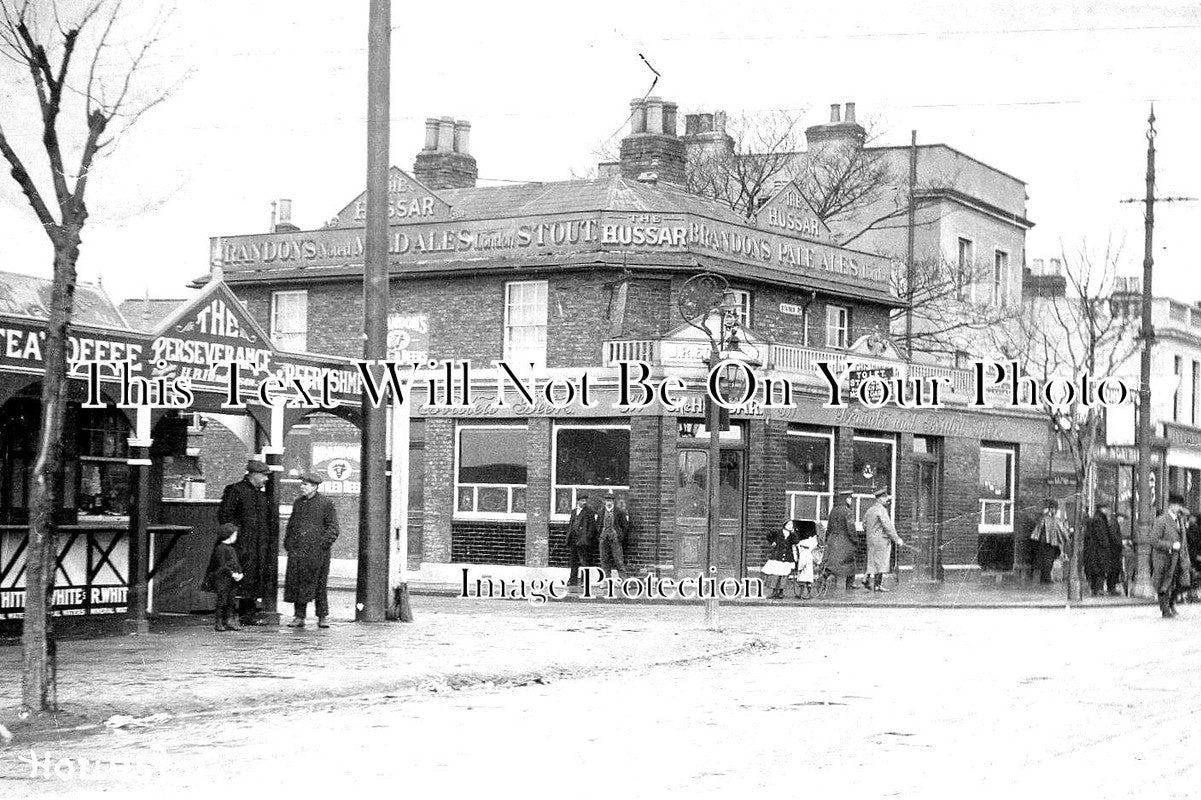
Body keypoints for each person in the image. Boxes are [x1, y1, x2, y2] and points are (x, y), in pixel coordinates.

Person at [217, 459, 272, 625]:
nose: (266, 479)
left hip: (258, 545)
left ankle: (247, 615)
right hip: (239, 545)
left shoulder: (262, 496)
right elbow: (224, 516)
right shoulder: (235, 490)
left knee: (253, 578)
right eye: (264, 475)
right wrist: (236, 537)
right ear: (253, 475)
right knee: (235, 579)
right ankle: (230, 616)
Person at [283, 472, 340, 629]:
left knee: (319, 584)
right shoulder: (298, 503)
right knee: (298, 583)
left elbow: (333, 527)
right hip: (298, 551)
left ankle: (322, 617)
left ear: (314, 487)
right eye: (302, 484)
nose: (302, 487)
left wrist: (322, 544)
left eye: (305, 484)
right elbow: (292, 524)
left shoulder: (326, 503)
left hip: (318, 553)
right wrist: (289, 543)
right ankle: (299, 616)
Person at [1150, 493, 1189, 619]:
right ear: (1171, 505)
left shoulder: (1180, 520)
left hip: (1178, 558)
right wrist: (1171, 545)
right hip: (1164, 557)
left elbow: (1183, 539)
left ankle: (1171, 603)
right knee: (1164, 583)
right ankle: (1165, 608)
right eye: (1176, 505)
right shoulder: (1161, 520)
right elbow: (1154, 540)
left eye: (1180, 506)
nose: (1178, 508)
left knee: (1180, 582)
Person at [201, 522, 244, 632]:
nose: (236, 537)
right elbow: (223, 565)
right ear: (228, 535)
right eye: (234, 535)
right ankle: (219, 622)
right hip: (223, 579)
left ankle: (229, 620)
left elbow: (235, 563)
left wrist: (239, 573)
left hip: (232, 580)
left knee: (231, 601)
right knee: (222, 601)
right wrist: (232, 574)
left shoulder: (231, 548)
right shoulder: (220, 548)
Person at [863, 489, 903, 593]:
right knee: (880, 563)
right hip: (881, 541)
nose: (886, 500)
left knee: (872, 561)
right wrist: (897, 539)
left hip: (871, 540)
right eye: (885, 498)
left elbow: (864, 524)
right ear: (880, 499)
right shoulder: (882, 510)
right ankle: (877, 585)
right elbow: (888, 526)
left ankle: (866, 578)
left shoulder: (870, 510)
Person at [823, 490, 858, 591]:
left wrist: (827, 539)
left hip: (832, 540)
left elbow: (828, 527)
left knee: (832, 563)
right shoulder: (848, 512)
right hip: (844, 542)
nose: (851, 500)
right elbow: (851, 528)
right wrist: (855, 540)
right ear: (846, 499)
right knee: (850, 564)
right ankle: (849, 585)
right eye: (850, 498)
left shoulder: (833, 510)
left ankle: (825, 578)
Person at [1030, 499, 1069, 584]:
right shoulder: (1046, 518)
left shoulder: (1053, 518)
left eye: (1055, 509)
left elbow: (1061, 530)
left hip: (1052, 543)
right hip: (1046, 543)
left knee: (1049, 560)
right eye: (1053, 508)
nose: (1054, 511)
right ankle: (1046, 578)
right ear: (1050, 508)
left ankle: (1045, 577)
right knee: (1047, 560)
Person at [1083, 501, 1117, 597]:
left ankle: (1095, 589)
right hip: (1099, 551)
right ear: (1103, 509)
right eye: (1107, 508)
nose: (1108, 511)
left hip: (1094, 550)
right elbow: (1102, 537)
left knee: (1096, 570)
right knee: (1100, 570)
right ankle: (1098, 589)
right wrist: (1107, 546)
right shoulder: (1100, 520)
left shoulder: (1096, 518)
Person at [565, 494, 596, 588]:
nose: (584, 502)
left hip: (583, 540)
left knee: (584, 561)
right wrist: (568, 536)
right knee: (574, 561)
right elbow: (571, 524)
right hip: (573, 540)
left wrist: (587, 538)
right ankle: (572, 580)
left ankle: (584, 581)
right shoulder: (574, 512)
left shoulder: (589, 512)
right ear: (578, 501)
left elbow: (592, 527)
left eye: (585, 500)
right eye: (582, 500)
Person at [597, 492, 629, 578]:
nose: (609, 502)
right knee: (604, 561)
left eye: (610, 500)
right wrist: (600, 535)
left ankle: (624, 580)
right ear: (604, 501)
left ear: (613, 501)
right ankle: (606, 581)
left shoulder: (619, 512)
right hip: (603, 539)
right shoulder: (601, 511)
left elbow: (625, 526)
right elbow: (598, 525)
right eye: (607, 500)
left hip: (615, 540)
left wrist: (619, 536)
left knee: (619, 560)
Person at [763, 520, 798, 599]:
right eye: (788, 524)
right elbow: (769, 535)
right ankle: (774, 591)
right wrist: (772, 542)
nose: (790, 526)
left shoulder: (791, 535)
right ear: (784, 525)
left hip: (787, 558)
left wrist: (793, 533)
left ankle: (781, 591)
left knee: (784, 575)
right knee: (776, 574)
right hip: (777, 557)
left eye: (791, 525)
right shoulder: (778, 532)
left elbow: (796, 541)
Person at [791, 521, 818, 600]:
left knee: (802, 581)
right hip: (809, 565)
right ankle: (807, 593)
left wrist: (799, 566)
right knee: (808, 581)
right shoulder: (812, 541)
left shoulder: (803, 547)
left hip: (803, 566)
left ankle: (802, 593)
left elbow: (802, 560)